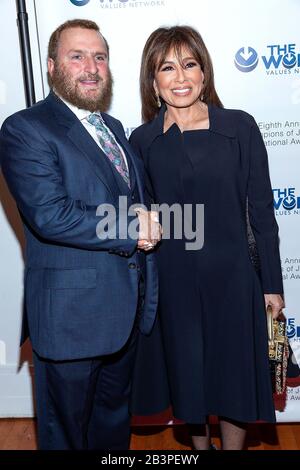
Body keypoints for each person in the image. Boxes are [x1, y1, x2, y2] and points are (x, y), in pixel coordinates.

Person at [0, 19, 161, 450]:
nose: (91, 67)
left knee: (111, 431)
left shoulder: (114, 129)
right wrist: (132, 226)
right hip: (70, 319)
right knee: (66, 438)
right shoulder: (26, 128)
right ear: (52, 66)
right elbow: (50, 215)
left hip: (122, 314)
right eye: (77, 56)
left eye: (100, 57)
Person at [130, 25, 284, 450]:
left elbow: (262, 212)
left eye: (189, 64)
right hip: (174, 279)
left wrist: (272, 284)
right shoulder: (141, 140)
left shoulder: (238, 127)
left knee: (234, 377)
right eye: (167, 68)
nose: (180, 77)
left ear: (204, 72)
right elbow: (138, 209)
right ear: (153, 81)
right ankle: (200, 452)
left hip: (233, 276)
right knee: (189, 378)